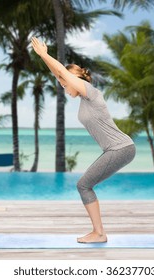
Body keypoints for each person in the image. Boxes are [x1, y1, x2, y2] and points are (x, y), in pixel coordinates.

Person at [31, 37, 136, 243]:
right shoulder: (83, 98)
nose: (63, 87)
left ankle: (99, 233)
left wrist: (44, 54)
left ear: (73, 80)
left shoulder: (91, 93)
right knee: (85, 185)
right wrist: (45, 60)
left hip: (120, 148)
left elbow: (62, 73)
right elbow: (59, 73)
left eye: (64, 83)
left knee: (84, 185)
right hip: (115, 149)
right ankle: (98, 232)